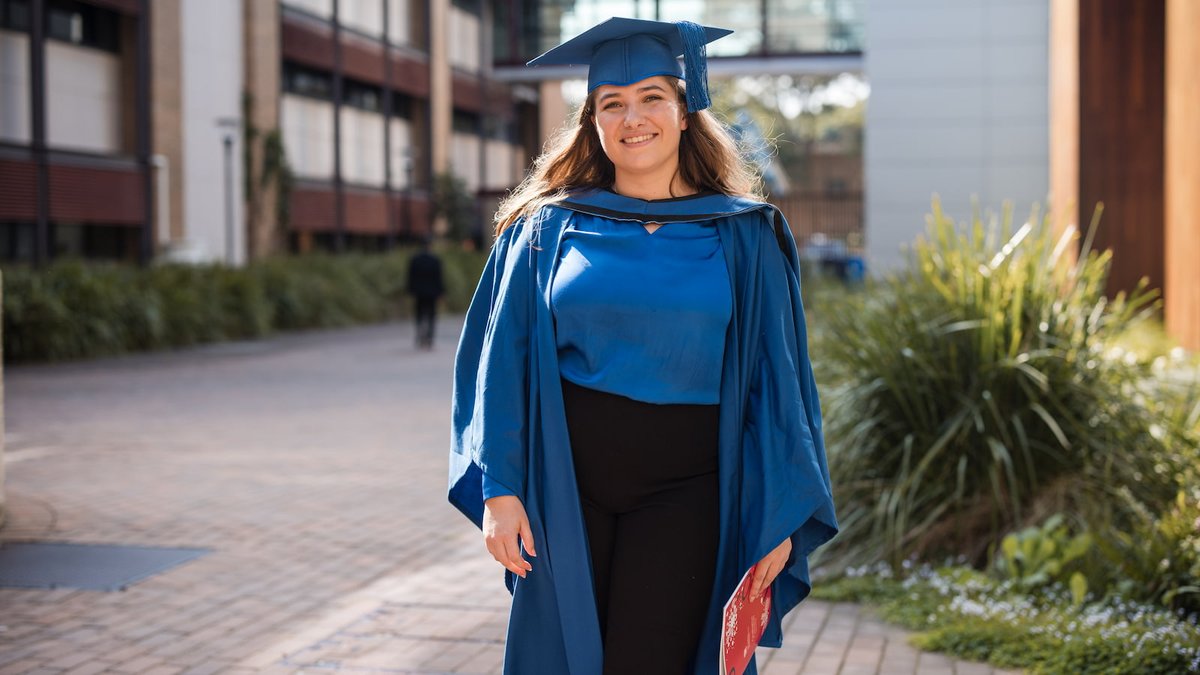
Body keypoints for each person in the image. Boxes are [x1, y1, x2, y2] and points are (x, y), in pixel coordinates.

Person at [448, 17, 837, 675]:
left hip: (687, 491)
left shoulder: (744, 236)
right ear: (593, 121)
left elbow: (780, 383)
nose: (634, 117)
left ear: (686, 112)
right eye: (612, 103)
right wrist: (500, 487)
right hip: (563, 488)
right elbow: (501, 362)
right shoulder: (547, 230)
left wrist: (780, 512)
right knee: (564, 659)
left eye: (652, 97)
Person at [407, 240, 444, 349]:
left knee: (419, 314)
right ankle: (429, 337)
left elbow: (411, 276)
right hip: (432, 292)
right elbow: (439, 278)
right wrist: (441, 292)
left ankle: (419, 334)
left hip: (419, 292)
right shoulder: (435, 260)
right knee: (431, 315)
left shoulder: (415, 260)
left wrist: (411, 290)